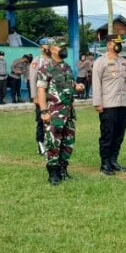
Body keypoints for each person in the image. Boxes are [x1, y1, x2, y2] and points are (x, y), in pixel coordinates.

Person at [37, 38, 85, 185]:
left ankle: (63, 170)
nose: (64, 49)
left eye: (65, 46)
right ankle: (53, 173)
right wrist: (44, 111)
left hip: (69, 112)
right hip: (54, 113)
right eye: (60, 47)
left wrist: (77, 86)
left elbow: (68, 84)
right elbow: (41, 90)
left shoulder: (68, 67)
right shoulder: (45, 68)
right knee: (53, 142)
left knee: (68, 143)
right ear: (51, 49)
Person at [92, 34, 126, 175]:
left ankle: (113, 160)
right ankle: (105, 163)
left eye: (120, 43)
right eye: (116, 42)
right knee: (108, 134)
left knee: (119, 134)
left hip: (122, 103)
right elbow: (96, 83)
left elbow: (124, 81)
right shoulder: (100, 62)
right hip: (108, 104)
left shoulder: (123, 62)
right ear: (108, 45)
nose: (119, 45)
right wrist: (97, 103)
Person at [30, 38, 52, 155]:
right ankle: (40, 144)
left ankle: (51, 143)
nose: (48, 47)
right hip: (40, 95)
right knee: (41, 121)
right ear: (41, 47)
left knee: (52, 121)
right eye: (46, 45)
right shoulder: (37, 61)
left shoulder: (54, 60)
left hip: (53, 96)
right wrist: (35, 96)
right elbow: (33, 79)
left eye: (49, 44)